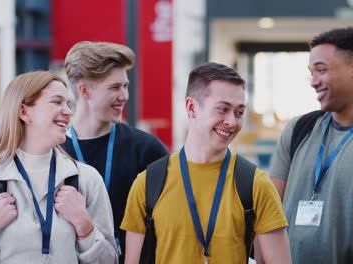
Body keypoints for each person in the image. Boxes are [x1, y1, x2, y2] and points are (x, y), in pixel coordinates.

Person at [121, 62, 291, 263]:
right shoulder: (148, 183)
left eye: (239, 112)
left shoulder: (256, 184)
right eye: (222, 109)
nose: (232, 122)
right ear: (191, 107)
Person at [268, 27, 353, 264]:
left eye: (321, 70)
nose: (313, 82)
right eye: (311, 73)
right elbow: (268, 214)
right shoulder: (298, 129)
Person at [0, 71, 117, 263]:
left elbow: (110, 260)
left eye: (68, 104)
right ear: (24, 112)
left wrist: (84, 225)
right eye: (57, 102)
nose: (68, 111)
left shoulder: (86, 179)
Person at [62, 41, 169, 261]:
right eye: (114, 87)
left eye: (125, 86)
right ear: (85, 90)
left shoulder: (147, 150)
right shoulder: (55, 151)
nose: (124, 96)